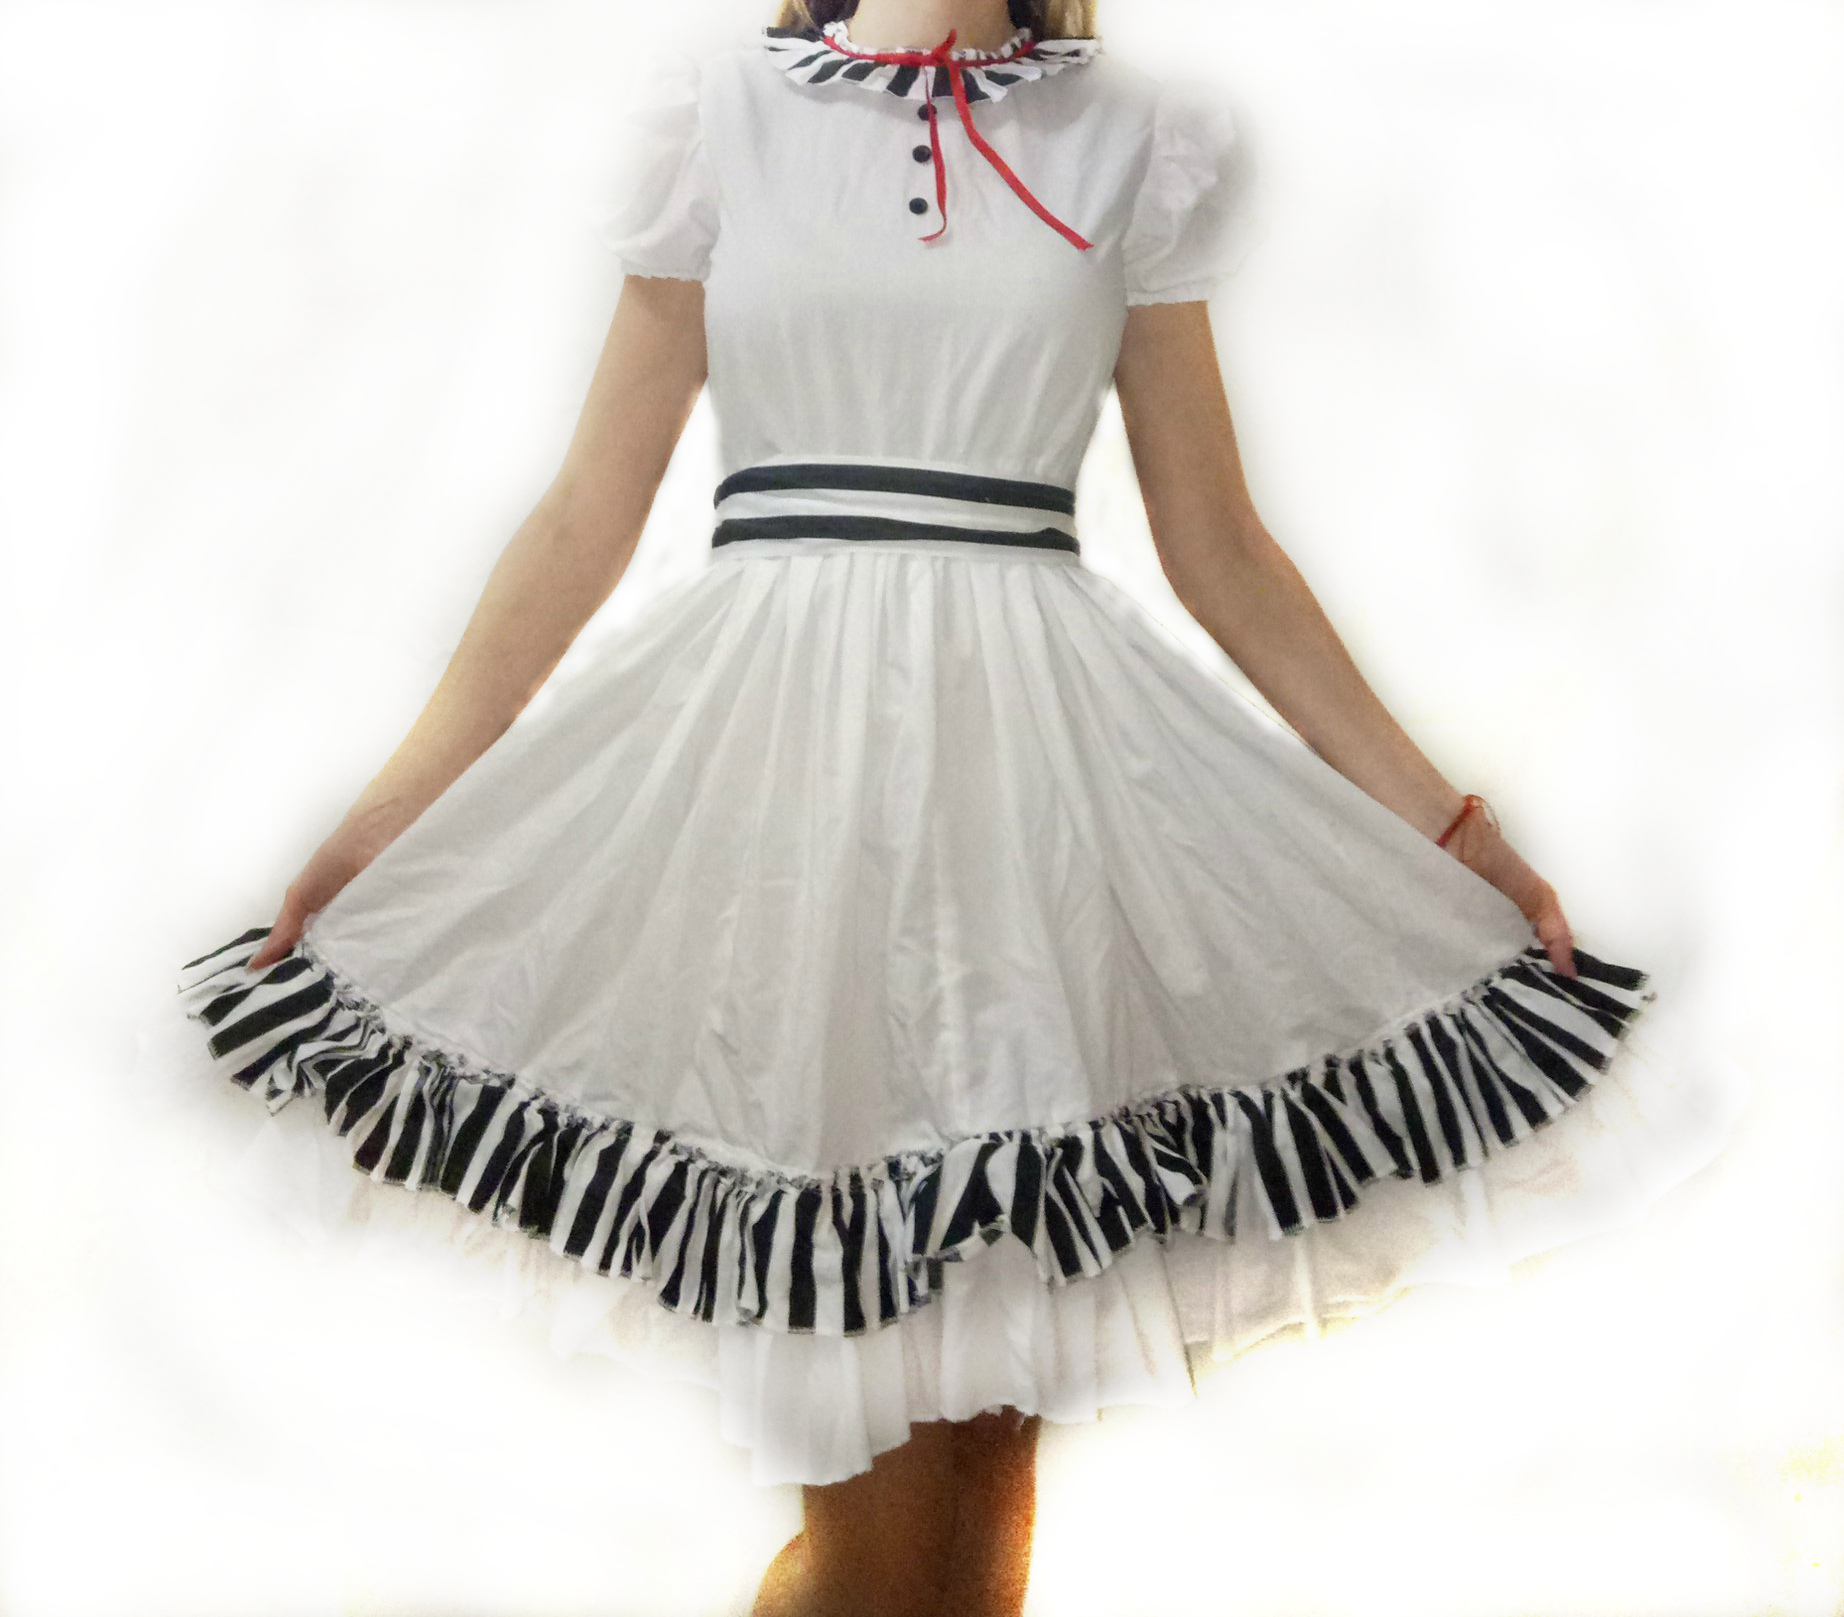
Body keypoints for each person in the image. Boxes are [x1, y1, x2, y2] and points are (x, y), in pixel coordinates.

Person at [174, 1, 1674, 1613]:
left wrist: (1448, 827)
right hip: (777, 819)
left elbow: (1222, 549)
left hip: (1034, 834)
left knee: (967, 1507)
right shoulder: (719, 115)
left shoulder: (1130, 135)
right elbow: (585, 516)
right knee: (884, 1532)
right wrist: (391, 815)